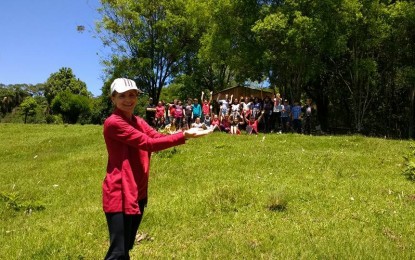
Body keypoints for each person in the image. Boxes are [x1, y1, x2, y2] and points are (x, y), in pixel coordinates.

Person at [103, 78, 211, 260]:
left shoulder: (137, 121)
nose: (128, 99)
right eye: (122, 96)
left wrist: (187, 131)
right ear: (113, 98)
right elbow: (149, 143)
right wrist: (184, 136)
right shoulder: (114, 123)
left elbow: (155, 136)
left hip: (137, 190)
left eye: (132, 95)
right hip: (120, 191)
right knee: (118, 253)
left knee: (126, 248)